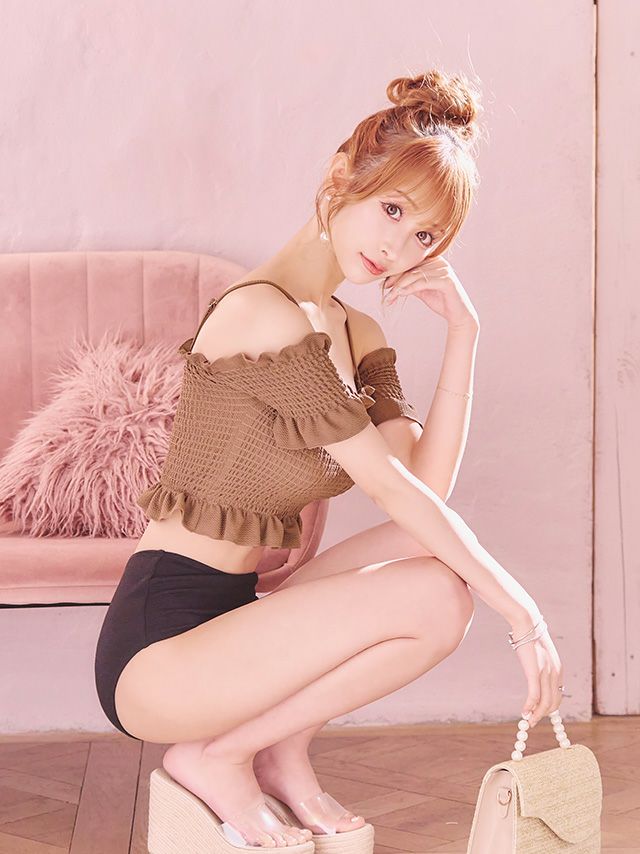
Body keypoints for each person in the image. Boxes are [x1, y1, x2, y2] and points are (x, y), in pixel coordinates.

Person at [94, 68, 564, 849]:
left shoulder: (354, 332)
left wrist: (464, 334)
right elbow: (390, 489)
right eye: (393, 210)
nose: (397, 246)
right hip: (158, 649)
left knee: (435, 571)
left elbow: (423, 494)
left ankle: (275, 748)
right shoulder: (260, 313)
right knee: (439, 596)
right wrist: (523, 613)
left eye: (424, 236)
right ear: (344, 174)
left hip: (239, 619)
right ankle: (219, 755)